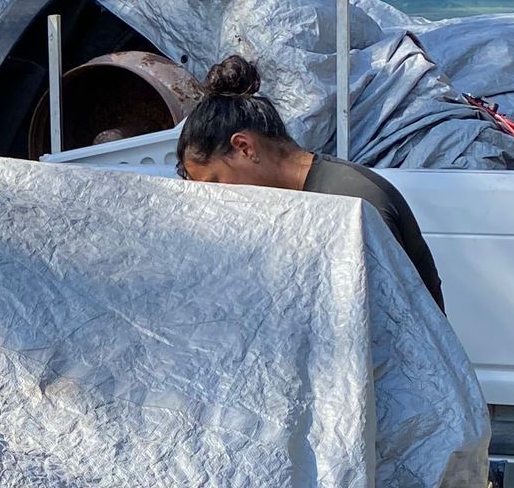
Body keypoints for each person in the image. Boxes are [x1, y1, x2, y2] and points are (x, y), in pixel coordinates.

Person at [175, 55, 445, 309]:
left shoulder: (352, 202)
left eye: (216, 184)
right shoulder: (292, 201)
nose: (220, 201)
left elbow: (385, 320)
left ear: (245, 148)